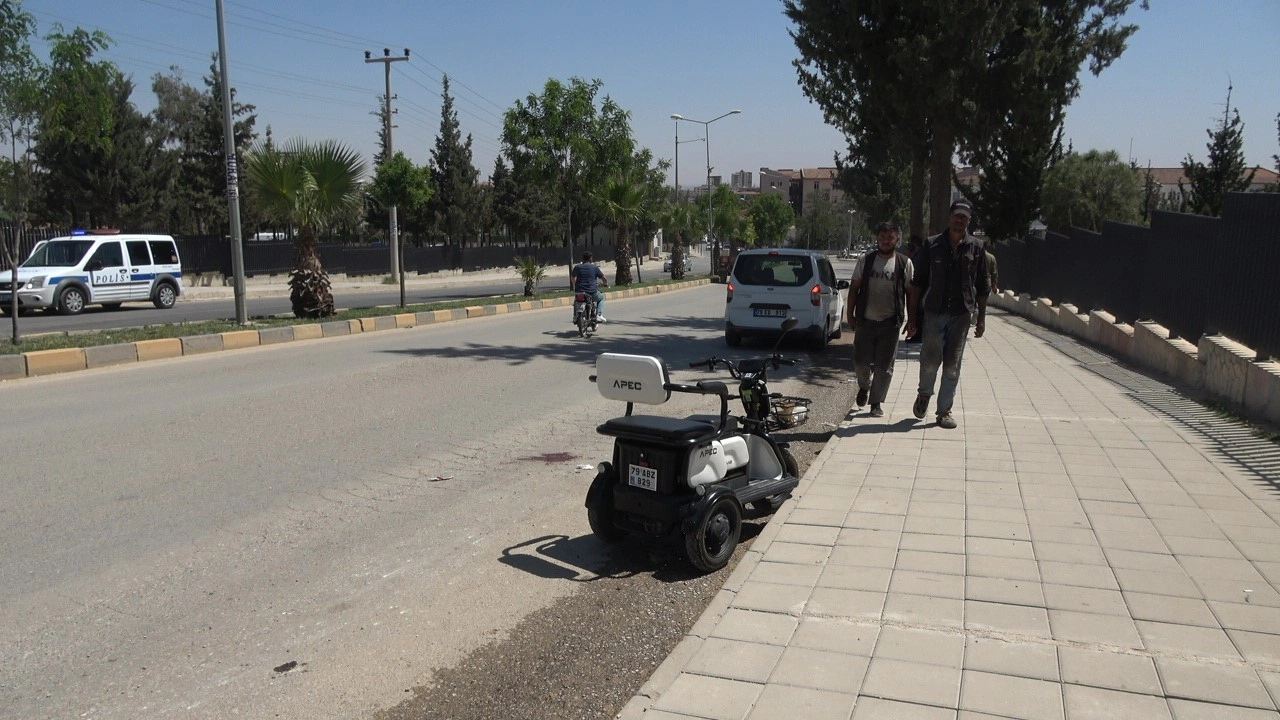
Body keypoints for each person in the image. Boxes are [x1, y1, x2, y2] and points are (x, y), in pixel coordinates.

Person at [904, 200, 990, 429]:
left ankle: (944, 411)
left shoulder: (977, 248)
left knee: (952, 365)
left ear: (969, 221)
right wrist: (912, 317)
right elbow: (918, 283)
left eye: (964, 217)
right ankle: (924, 394)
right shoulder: (932, 245)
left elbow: (983, 285)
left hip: (961, 314)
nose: (959, 220)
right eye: (956, 216)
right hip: (935, 312)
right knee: (930, 361)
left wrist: (981, 318)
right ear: (950, 217)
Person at [847, 221, 914, 418]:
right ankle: (864, 385)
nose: (885, 241)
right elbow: (854, 288)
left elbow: (911, 293)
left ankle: (876, 402)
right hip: (865, 321)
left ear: (897, 239)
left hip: (890, 322)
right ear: (877, 238)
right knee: (861, 362)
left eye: (890, 238)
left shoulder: (904, 263)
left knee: (884, 366)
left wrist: (912, 320)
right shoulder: (866, 261)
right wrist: (850, 314)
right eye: (882, 237)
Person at [570, 251, 607, 323]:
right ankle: (599, 315)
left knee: (576, 301)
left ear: (583, 258)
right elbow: (604, 279)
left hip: (579, 292)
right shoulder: (594, 267)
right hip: (592, 292)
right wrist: (605, 284)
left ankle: (575, 317)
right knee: (601, 298)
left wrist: (575, 284)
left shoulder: (577, 267)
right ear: (591, 258)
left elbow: (572, 277)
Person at [902, 235, 926, 343]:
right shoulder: (919, 254)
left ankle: (918, 334)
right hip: (917, 285)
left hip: (918, 286)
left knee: (918, 311)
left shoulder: (919, 255)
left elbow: (914, 270)